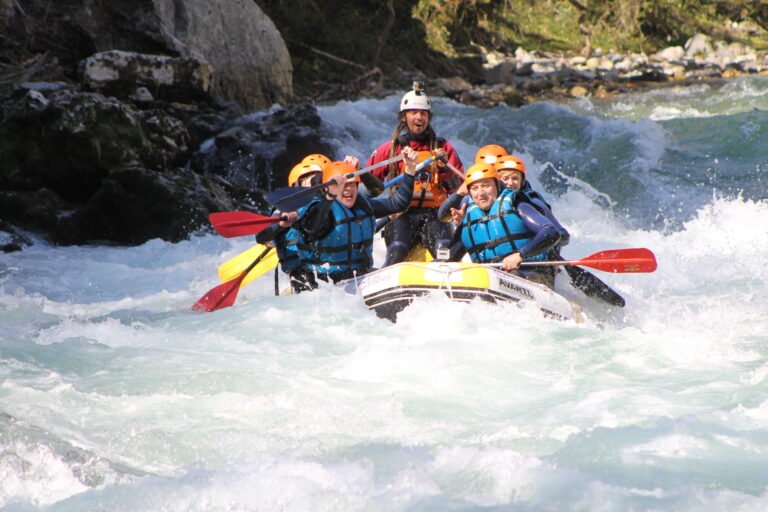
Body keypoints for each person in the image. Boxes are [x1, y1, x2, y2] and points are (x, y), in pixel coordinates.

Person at [259, 148, 421, 293]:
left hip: (357, 276)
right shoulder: (316, 210)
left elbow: (398, 203)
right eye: (343, 186)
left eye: (352, 184)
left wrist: (410, 169)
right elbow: (311, 226)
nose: (348, 189)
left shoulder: (362, 205)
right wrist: (280, 226)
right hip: (324, 285)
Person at [365, 81, 464, 266]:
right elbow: (370, 188)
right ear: (404, 117)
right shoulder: (391, 149)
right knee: (397, 250)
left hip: (436, 215)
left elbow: (459, 189)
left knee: (444, 250)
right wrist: (385, 206)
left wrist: (444, 169)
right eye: (414, 112)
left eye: (423, 113)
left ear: (428, 117)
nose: (419, 117)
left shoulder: (443, 148)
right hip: (402, 215)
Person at [452, 163, 562, 288]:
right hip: (490, 279)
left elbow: (551, 232)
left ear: (497, 186)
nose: (480, 193)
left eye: (486, 186)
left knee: (514, 274)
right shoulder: (469, 219)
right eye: (475, 188)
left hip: (532, 274)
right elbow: (450, 257)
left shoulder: (517, 204)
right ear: (470, 193)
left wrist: (520, 254)